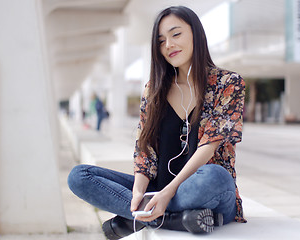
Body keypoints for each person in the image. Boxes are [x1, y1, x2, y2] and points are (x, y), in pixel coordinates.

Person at [68, 6, 246, 239]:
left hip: (204, 191)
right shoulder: (154, 90)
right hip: (158, 188)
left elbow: (209, 146)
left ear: (196, 34)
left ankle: (144, 216)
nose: (169, 45)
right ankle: (173, 219)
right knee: (80, 176)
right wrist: (138, 192)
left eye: (176, 34)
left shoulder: (228, 83)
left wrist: (168, 193)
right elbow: (145, 150)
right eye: (161, 41)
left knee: (215, 176)